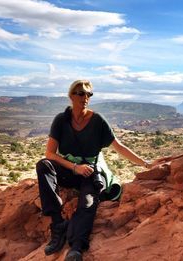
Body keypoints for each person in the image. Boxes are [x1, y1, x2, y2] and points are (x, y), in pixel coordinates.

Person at [36, 80, 156, 261]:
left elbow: (119, 147)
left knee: (88, 203)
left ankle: (76, 247)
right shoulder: (61, 120)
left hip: (90, 173)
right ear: (71, 96)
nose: (85, 97)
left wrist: (145, 163)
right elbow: (50, 154)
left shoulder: (97, 121)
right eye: (80, 93)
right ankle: (58, 224)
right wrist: (75, 167)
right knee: (43, 165)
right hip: (70, 170)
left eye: (88, 94)